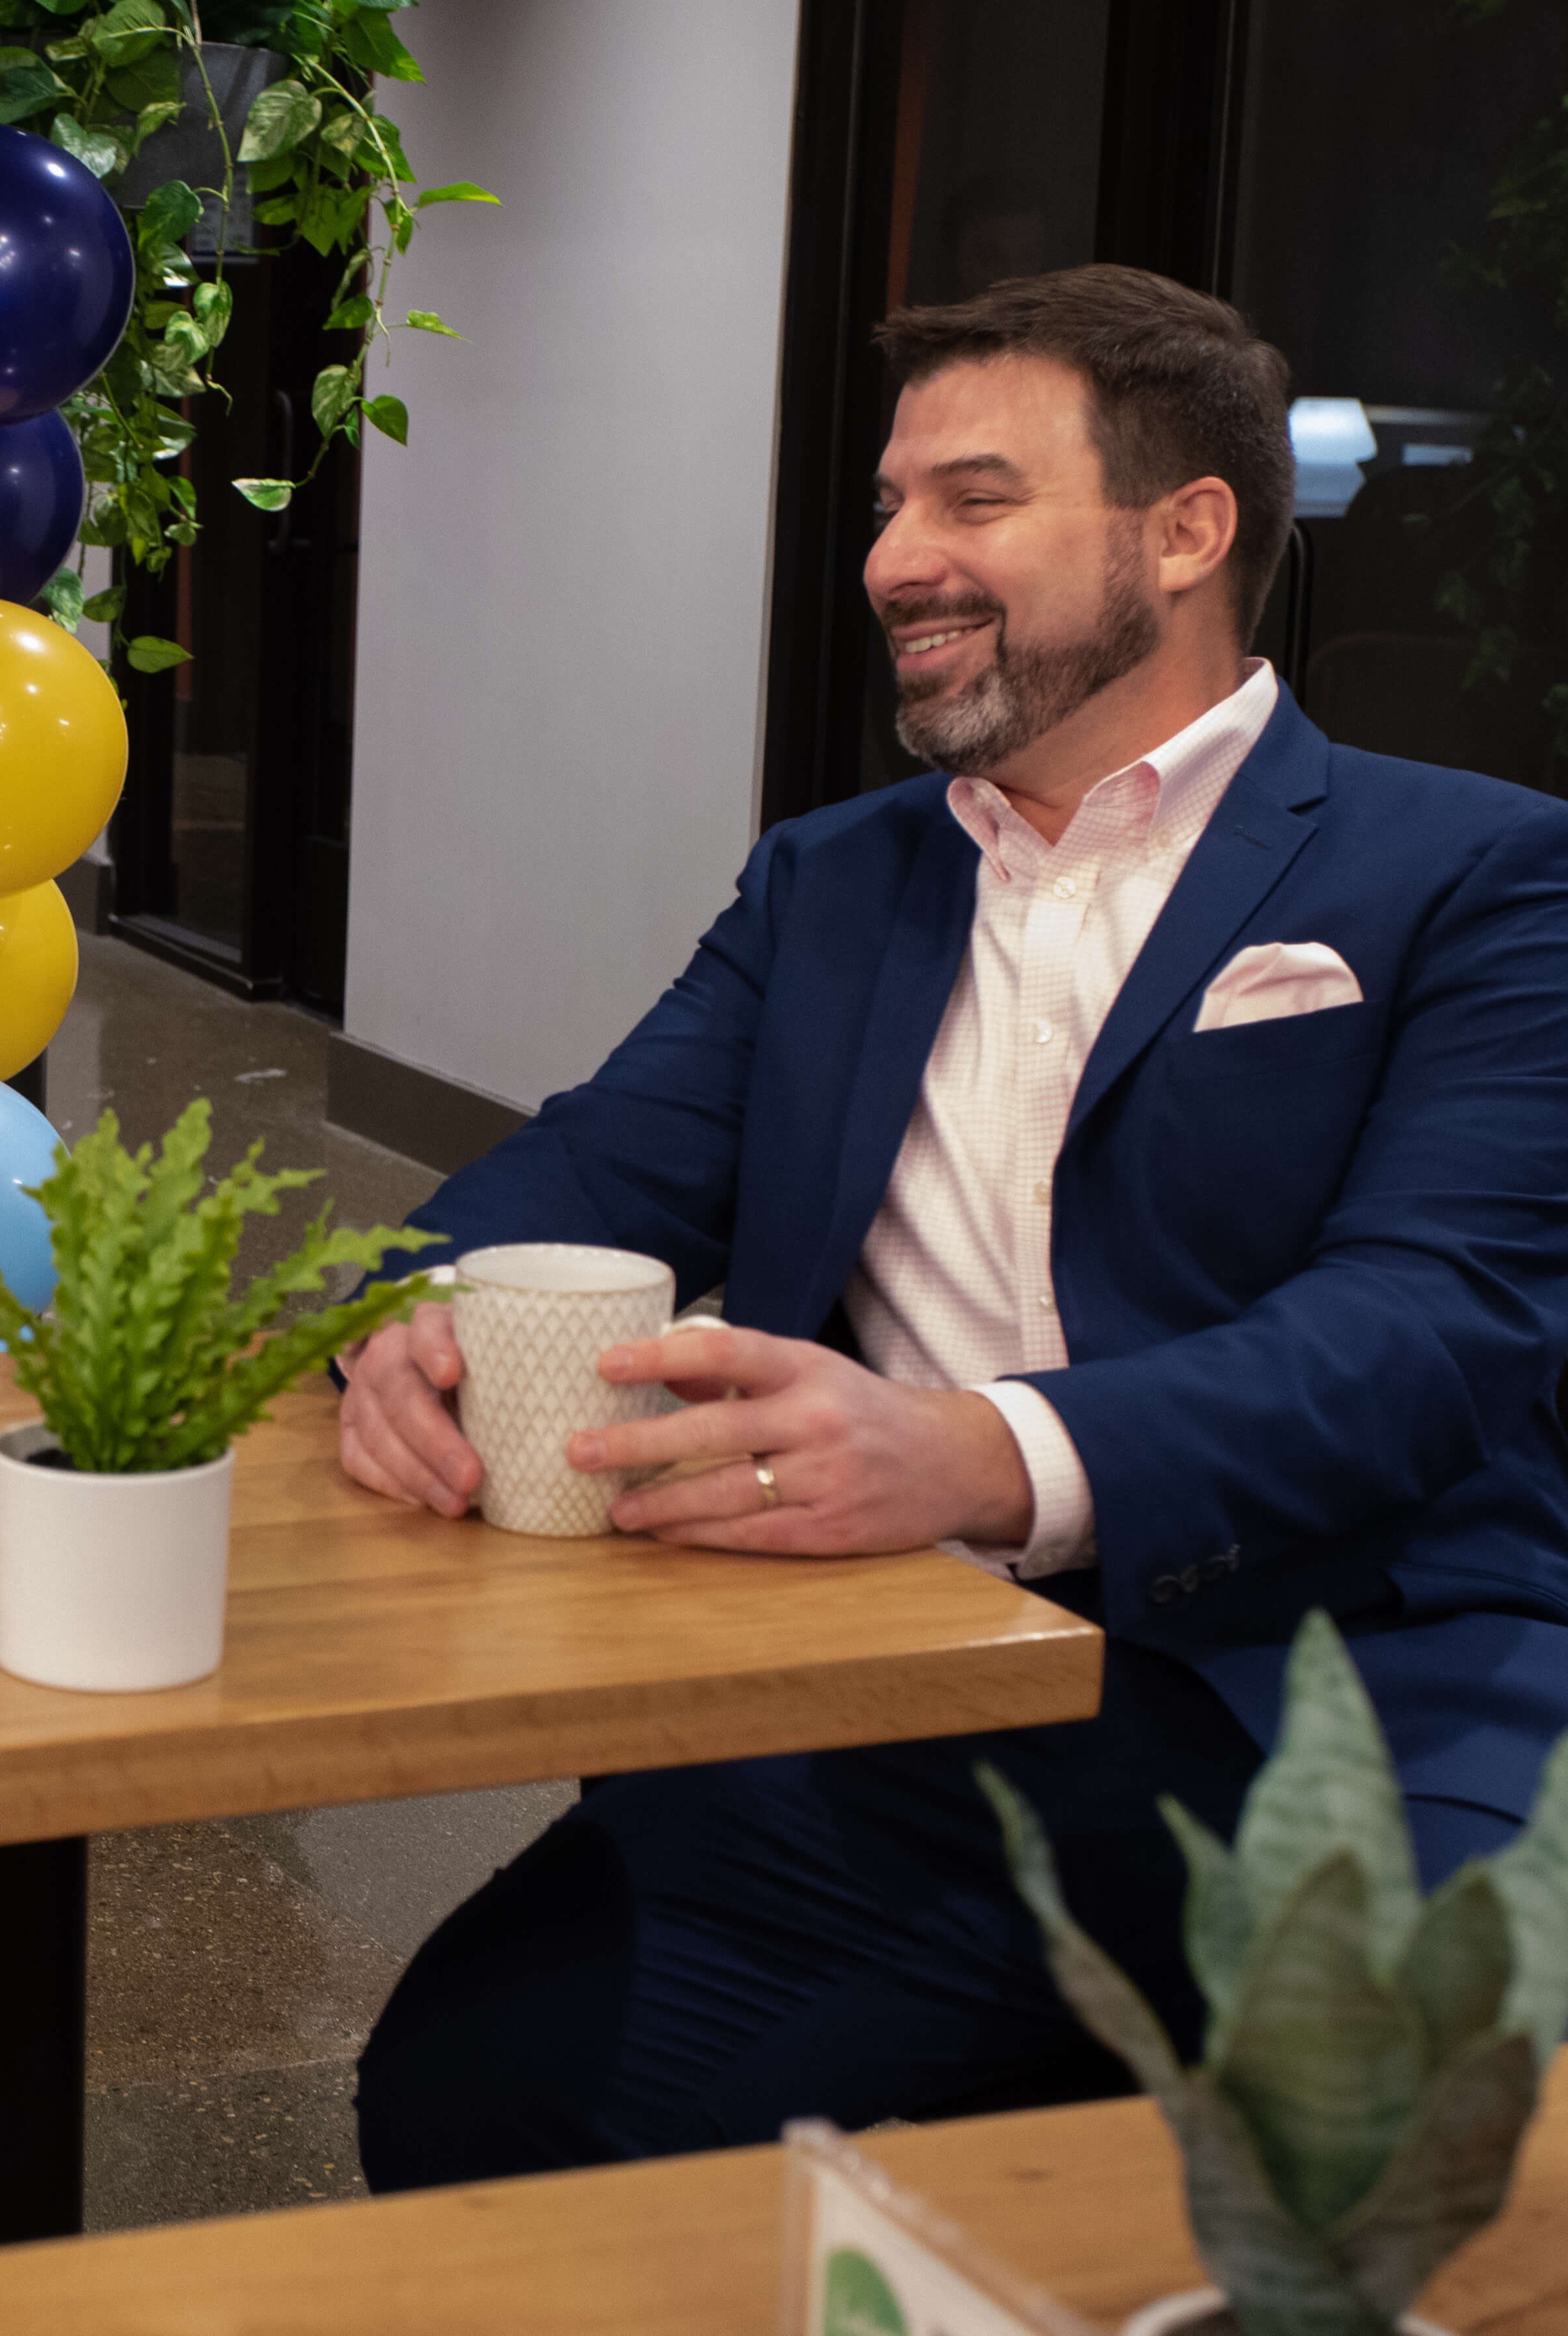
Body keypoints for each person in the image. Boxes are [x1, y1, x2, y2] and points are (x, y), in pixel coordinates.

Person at [339, 265, 1568, 2192]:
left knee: (1394, 2193)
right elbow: (585, 1173)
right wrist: (401, 1319)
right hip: (894, 1675)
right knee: (492, 2105)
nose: (896, 556)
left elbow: (1434, 1326)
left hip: (1336, 1685)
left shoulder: (1476, 872)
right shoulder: (833, 880)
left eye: (973, 501)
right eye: (892, 504)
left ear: (1187, 532)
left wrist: (978, 1451)